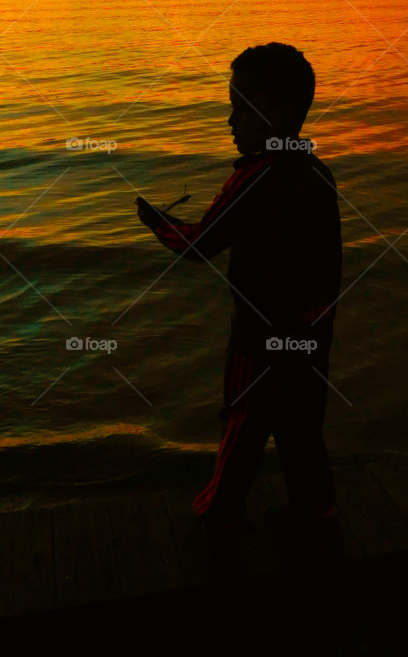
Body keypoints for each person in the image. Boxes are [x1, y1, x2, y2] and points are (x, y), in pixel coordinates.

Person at [136, 41, 342, 548]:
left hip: (260, 336)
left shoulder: (253, 178)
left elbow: (200, 244)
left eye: (238, 109)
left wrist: (157, 223)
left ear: (276, 113)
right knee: (300, 427)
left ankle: (220, 516)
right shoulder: (317, 172)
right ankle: (316, 510)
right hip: (313, 332)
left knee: (244, 424)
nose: (230, 122)